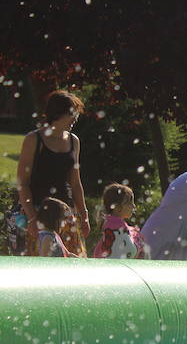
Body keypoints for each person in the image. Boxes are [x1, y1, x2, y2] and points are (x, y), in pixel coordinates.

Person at [16, 90, 89, 257]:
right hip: (38, 214)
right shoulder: (33, 140)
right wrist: (32, 218)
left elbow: (75, 182)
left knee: (73, 266)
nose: (75, 118)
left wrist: (84, 216)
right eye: (72, 113)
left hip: (66, 215)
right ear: (57, 113)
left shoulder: (74, 141)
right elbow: (23, 183)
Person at [93, 183, 147, 259]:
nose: (133, 206)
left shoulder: (113, 226)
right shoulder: (115, 229)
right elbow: (130, 251)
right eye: (129, 202)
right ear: (117, 207)